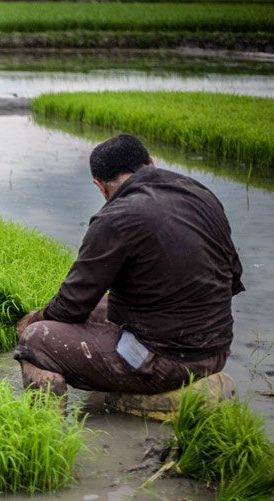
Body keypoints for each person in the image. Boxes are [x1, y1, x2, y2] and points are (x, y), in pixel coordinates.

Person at [14, 134, 244, 398]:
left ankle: (48, 433)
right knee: (100, 306)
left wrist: (32, 320)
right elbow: (234, 277)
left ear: (100, 187)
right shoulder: (201, 194)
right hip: (217, 350)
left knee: (37, 338)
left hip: (169, 362)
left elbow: (70, 307)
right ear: (152, 163)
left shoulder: (116, 218)